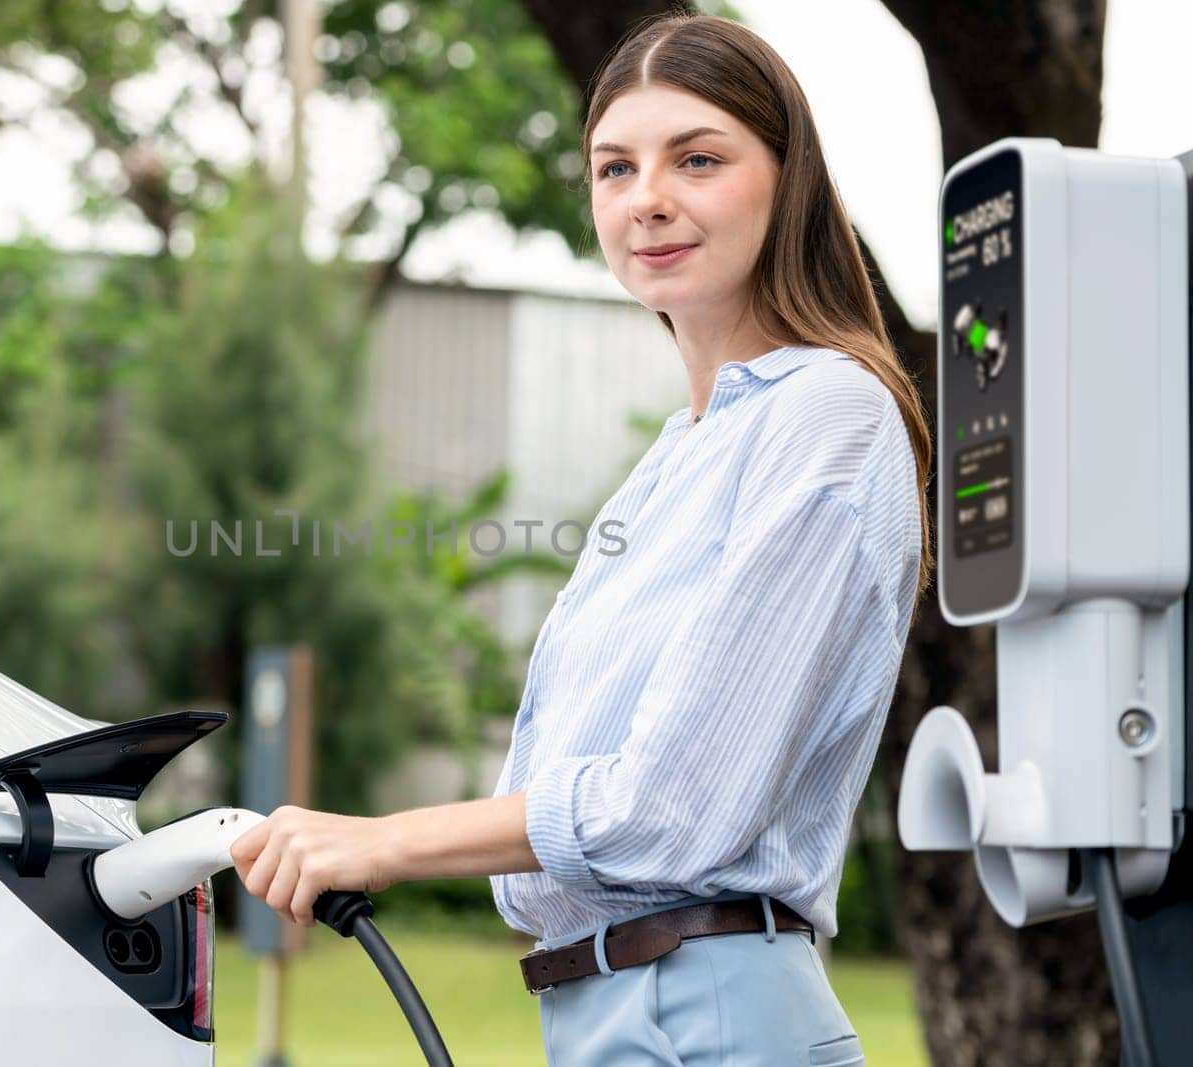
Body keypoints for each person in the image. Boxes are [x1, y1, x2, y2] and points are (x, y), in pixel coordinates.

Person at [230, 12, 931, 1065]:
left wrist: (384, 840)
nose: (647, 197)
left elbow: (669, 805)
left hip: (710, 1017)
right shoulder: (680, 452)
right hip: (608, 1011)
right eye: (614, 167)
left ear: (787, 181)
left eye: (697, 158)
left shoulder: (826, 412)